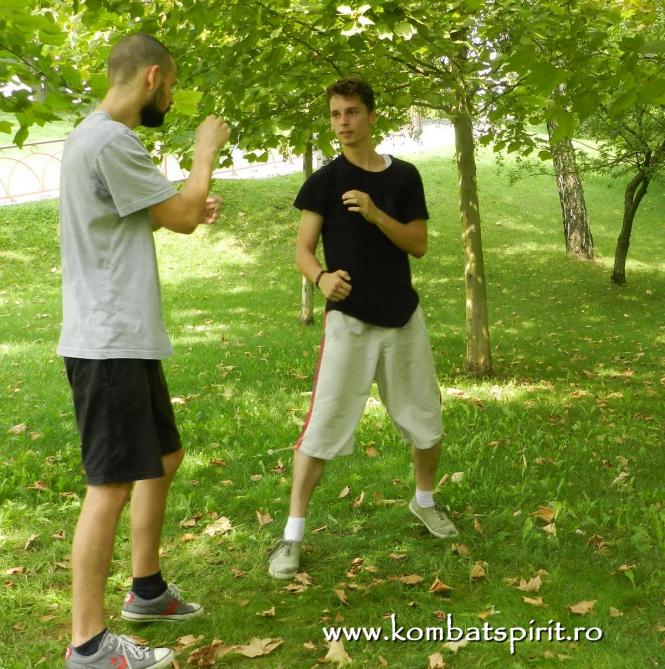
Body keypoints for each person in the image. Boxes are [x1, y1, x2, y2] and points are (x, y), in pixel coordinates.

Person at [58, 33, 230, 669]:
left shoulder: (93, 138)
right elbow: (181, 216)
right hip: (108, 342)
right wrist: (204, 154)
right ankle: (88, 644)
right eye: (173, 84)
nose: (173, 97)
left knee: (162, 458)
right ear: (153, 76)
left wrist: (187, 203)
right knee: (109, 486)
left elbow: (166, 212)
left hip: (120, 336)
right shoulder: (112, 140)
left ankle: (148, 589)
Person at [268, 77, 458, 580]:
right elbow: (302, 251)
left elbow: (418, 244)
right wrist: (321, 278)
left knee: (426, 420)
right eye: (336, 114)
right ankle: (292, 536)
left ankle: (424, 501)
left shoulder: (405, 177)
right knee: (322, 427)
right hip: (349, 323)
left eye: (352, 112)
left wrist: (376, 214)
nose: (343, 122)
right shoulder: (324, 182)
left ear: (372, 116)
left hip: (402, 318)